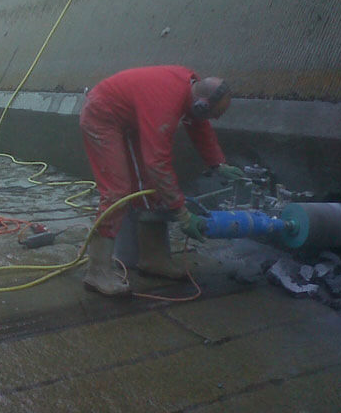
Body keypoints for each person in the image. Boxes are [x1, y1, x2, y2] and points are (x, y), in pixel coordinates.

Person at [79, 66, 244, 296]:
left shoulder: (192, 91)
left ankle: (153, 260)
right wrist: (182, 213)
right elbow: (157, 164)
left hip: (130, 118)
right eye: (214, 113)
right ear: (201, 104)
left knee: (150, 187)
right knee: (117, 192)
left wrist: (218, 163)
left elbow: (199, 125)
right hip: (102, 116)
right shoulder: (165, 102)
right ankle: (96, 271)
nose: (215, 119)